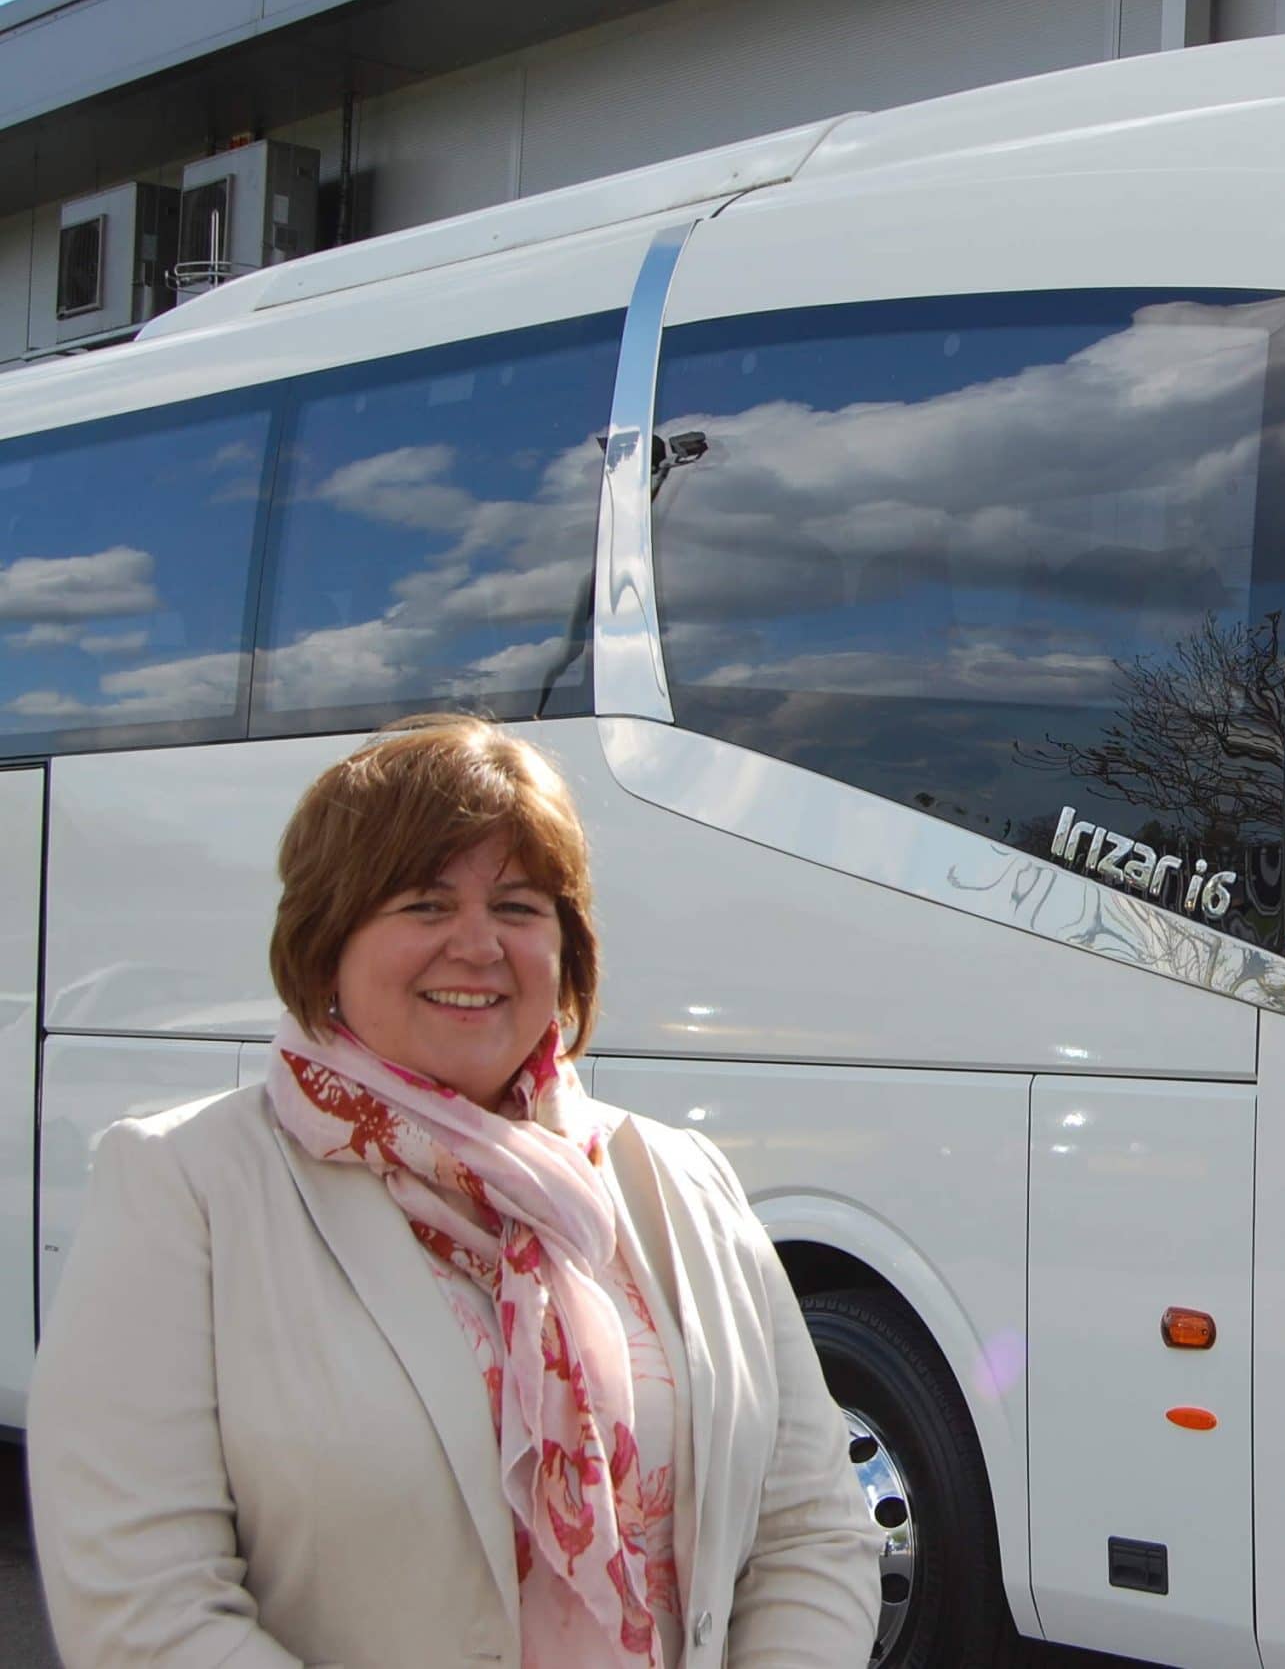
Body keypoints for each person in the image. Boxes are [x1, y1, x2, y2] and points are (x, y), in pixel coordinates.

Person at [27, 714, 883, 1668]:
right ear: (325, 943)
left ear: (567, 950)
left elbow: (813, 1533)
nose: (477, 946)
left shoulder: (678, 1181)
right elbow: (143, 1606)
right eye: (425, 906)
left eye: (518, 907)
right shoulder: (183, 1188)